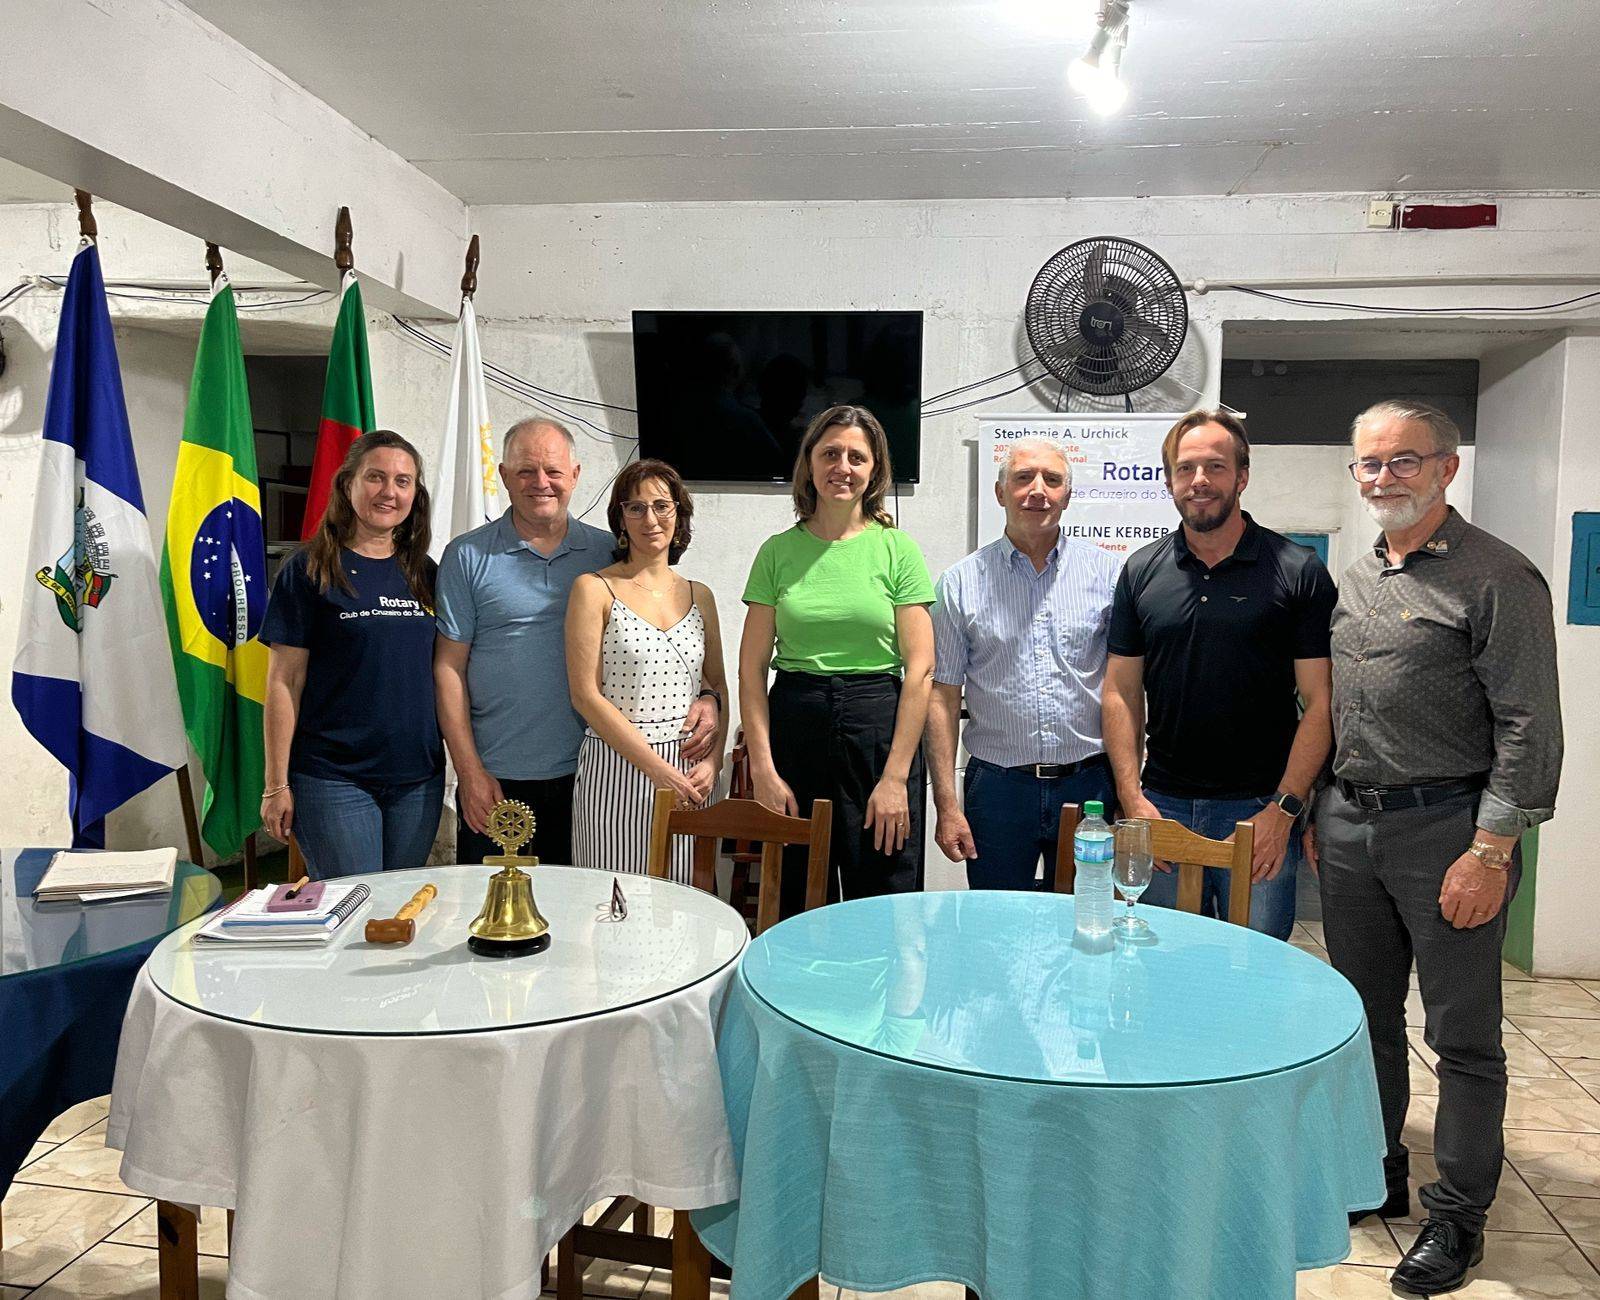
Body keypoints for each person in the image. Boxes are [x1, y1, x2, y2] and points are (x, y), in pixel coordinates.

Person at [1311, 401, 1562, 1295]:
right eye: (1369, 464)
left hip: (1451, 831)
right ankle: (1375, 1166)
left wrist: (1491, 848)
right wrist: (1319, 815)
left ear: (1447, 469)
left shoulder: (1499, 576)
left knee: (1461, 1035)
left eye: (1403, 461)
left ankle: (1458, 1216)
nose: (1383, 478)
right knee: (1364, 1020)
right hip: (1351, 823)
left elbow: (1531, 727)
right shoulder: (1358, 576)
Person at [435, 419, 721, 865]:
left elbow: (670, 650)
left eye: (552, 471)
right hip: (497, 774)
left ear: (575, 475)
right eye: (526, 471)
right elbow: (448, 669)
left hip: (590, 771)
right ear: (505, 476)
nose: (541, 483)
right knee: (493, 916)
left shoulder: (609, 553)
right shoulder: (467, 555)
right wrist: (468, 771)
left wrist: (708, 695)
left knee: (580, 917)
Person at [1102, 409, 1335, 939]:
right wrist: (1133, 801)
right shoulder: (1141, 571)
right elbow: (1119, 691)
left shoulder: (1297, 569)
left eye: (1215, 466)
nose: (1199, 480)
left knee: (1253, 973)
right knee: (1157, 968)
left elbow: (1321, 702)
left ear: (1242, 476)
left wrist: (1285, 810)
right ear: (1169, 481)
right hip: (1161, 807)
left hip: (1258, 812)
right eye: (1185, 469)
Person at [739, 404, 936, 917]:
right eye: (830, 453)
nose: (841, 467)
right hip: (796, 723)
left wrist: (895, 778)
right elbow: (751, 668)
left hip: (878, 728)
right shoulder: (777, 553)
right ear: (809, 463)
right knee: (799, 892)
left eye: (856, 456)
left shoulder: (898, 550)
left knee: (883, 895)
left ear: (874, 471)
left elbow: (920, 670)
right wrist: (761, 765)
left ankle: (880, 999)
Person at [927, 438, 1121, 889]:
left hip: (1089, 787)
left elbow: (1125, 690)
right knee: (996, 929)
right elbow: (942, 696)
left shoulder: (1108, 577)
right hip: (997, 789)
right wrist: (946, 804)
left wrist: (1129, 791)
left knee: (1085, 921)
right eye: (1023, 478)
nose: (1038, 490)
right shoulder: (960, 583)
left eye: (1052, 480)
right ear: (1000, 493)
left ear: (1067, 497)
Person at [260, 430, 444, 878]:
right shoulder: (307, 570)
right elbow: (284, 682)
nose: (389, 491)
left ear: (415, 493)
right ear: (348, 484)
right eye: (376, 477)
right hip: (334, 778)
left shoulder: (425, 571)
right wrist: (275, 784)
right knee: (354, 910)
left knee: (400, 911)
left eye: (403, 481)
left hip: (417, 779)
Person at [565, 459, 729, 884]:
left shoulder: (700, 595)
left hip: (690, 775)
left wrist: (713, 761)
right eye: (635, 508)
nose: (650, 519)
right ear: (620, 518)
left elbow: (716, 686)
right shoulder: (593, 588)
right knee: (612, 906)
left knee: (687, 912)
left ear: (679, 514)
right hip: (616, 771)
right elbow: (585, 695)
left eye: (661, 506)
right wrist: (659, 771)